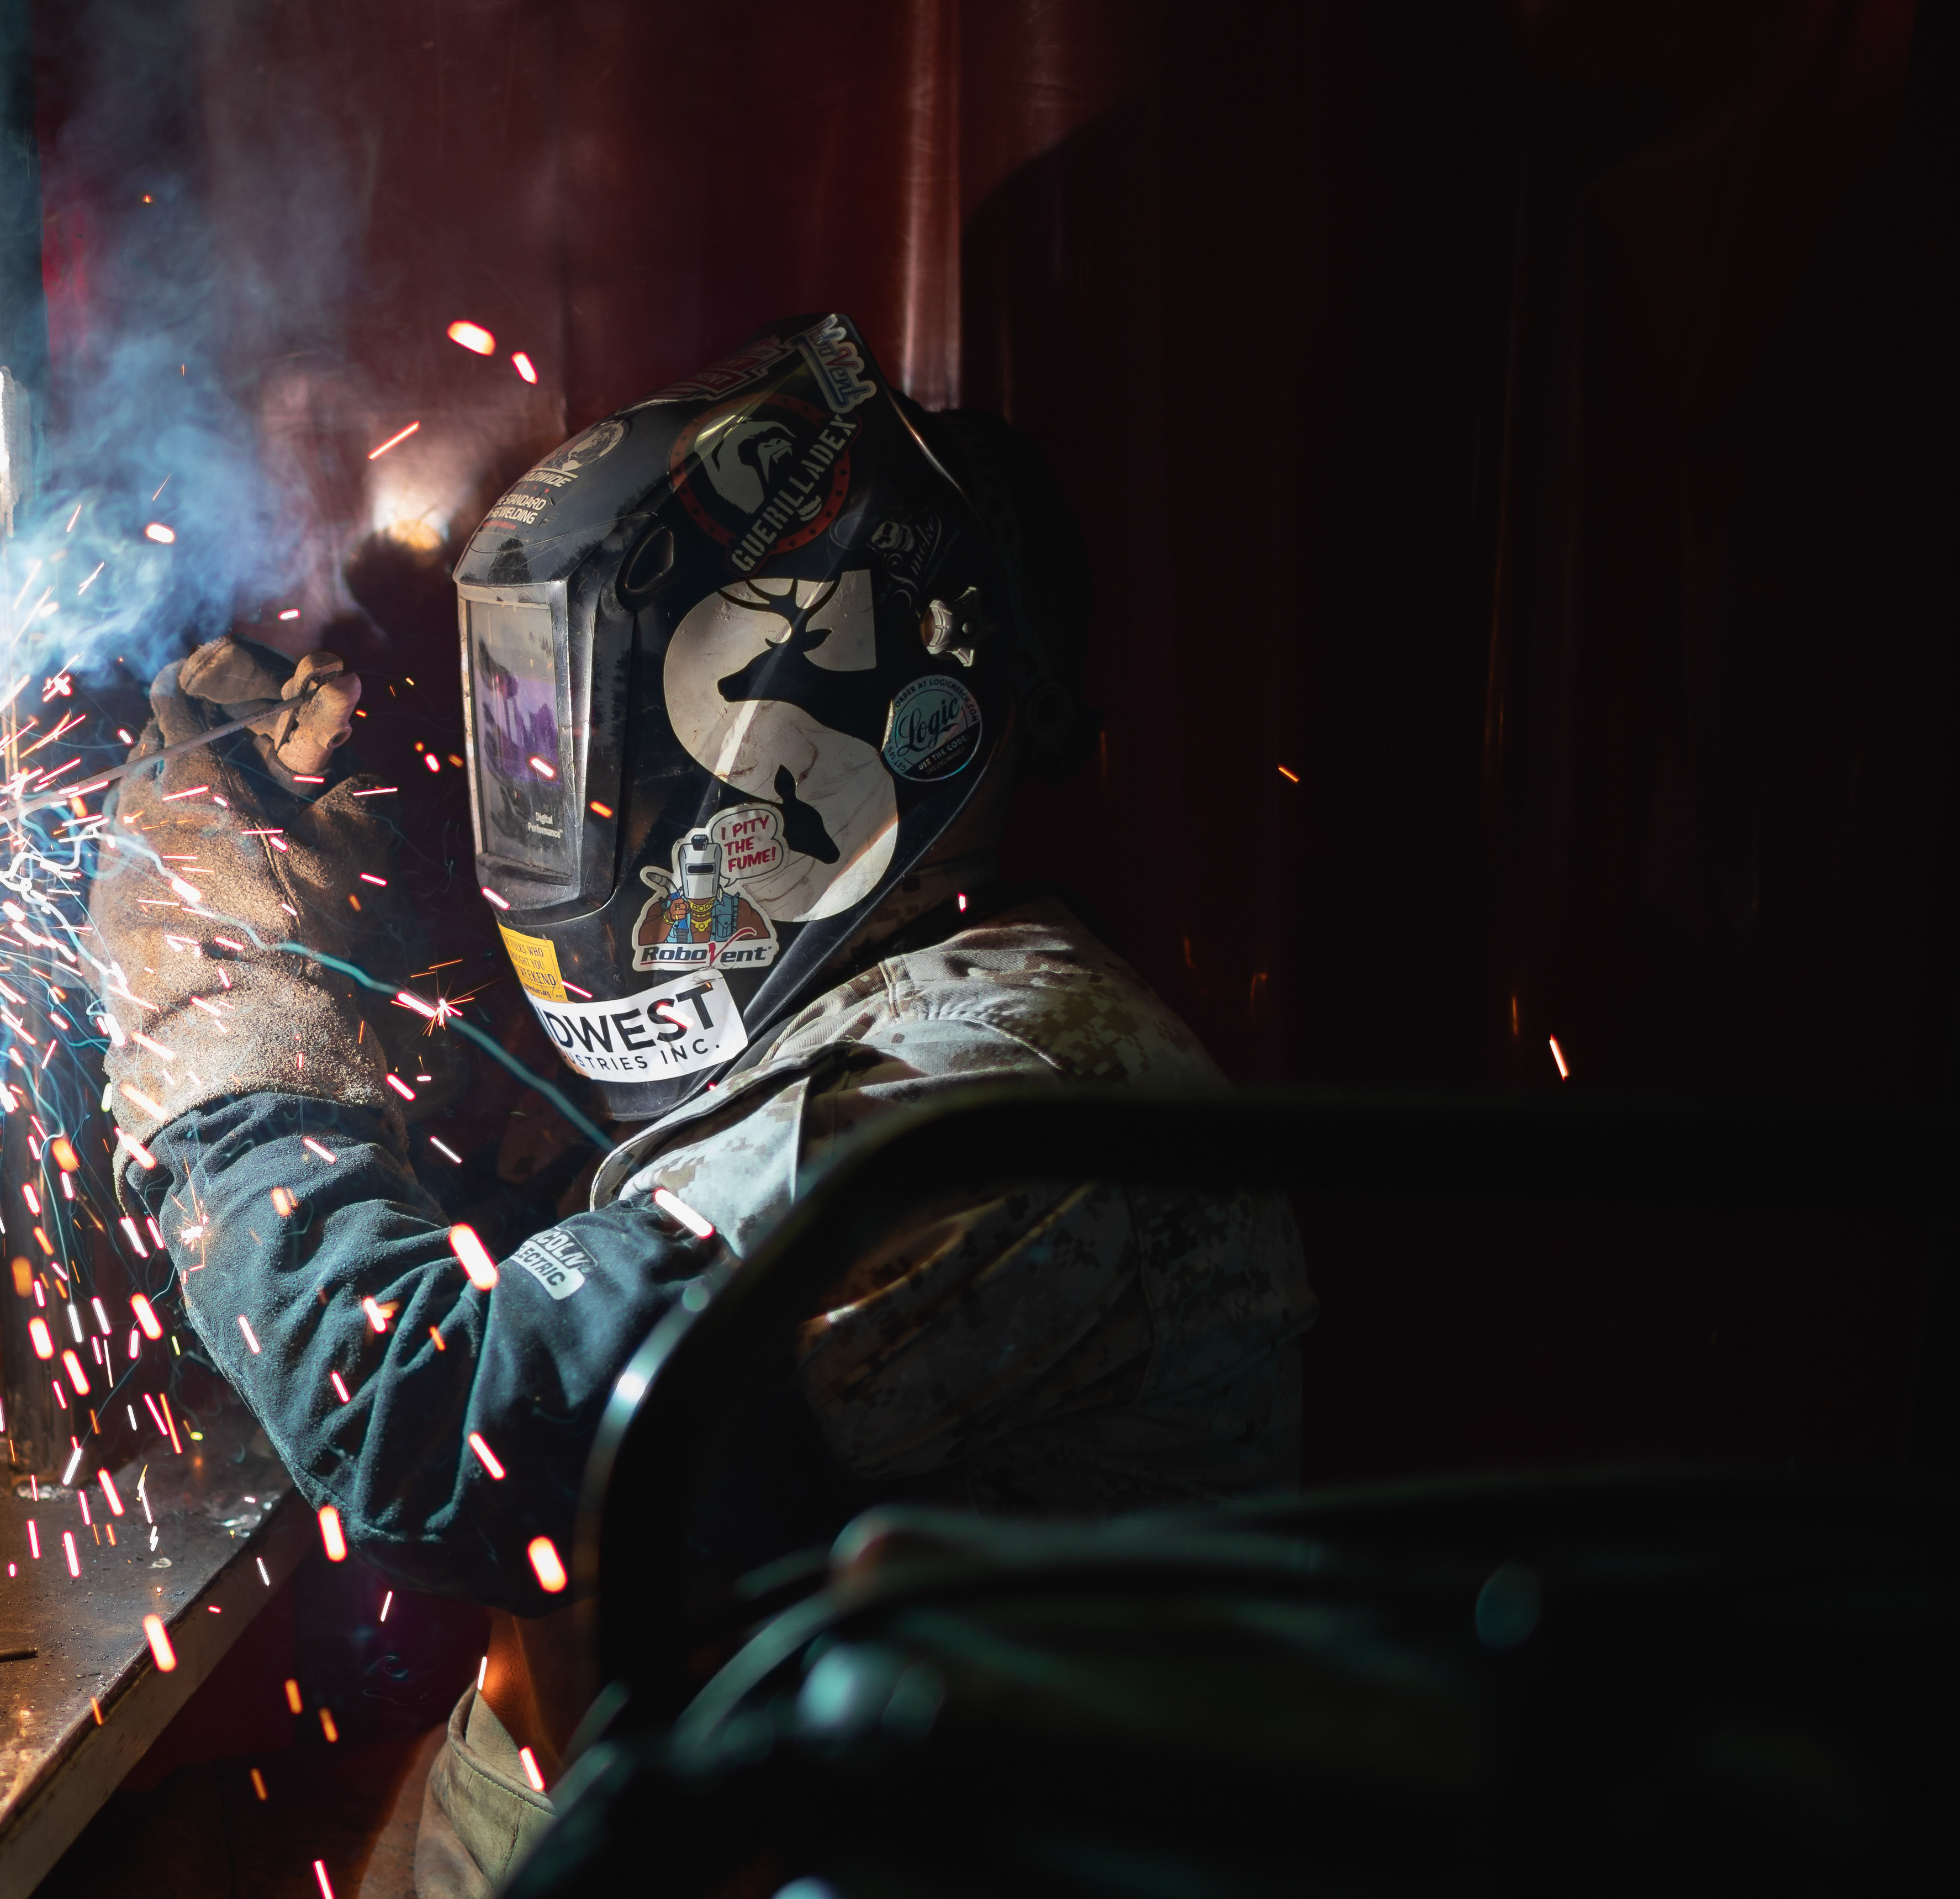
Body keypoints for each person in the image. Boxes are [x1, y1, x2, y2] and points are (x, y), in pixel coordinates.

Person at [88, 315, 1312, 1897]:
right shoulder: (868, 1015)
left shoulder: (992, 1103)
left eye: (578, 741)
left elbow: (439, 1436)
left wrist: (227, 1008)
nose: (543, 795)